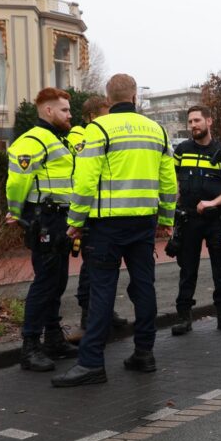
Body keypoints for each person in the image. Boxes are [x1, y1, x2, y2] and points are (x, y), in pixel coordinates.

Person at [52, 74, 178, 387]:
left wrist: (75, 221)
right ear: (135, 97)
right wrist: (167, 217)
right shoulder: (156, 130)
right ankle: (144, 353)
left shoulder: (98, 129)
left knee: (102, 290)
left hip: (107, 224)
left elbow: (85, 179)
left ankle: (92, 363)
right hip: (144, 221)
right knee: (144, 286)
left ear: (108, 100)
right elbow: (168, 180)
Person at [5, 87, 80, 372]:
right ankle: (30, 347)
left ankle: (52, 339)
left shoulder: (57, 139)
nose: (69, 115)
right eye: (64, 110)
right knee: (45, 282)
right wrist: (15, 212)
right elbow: (16, 182)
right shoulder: (33, 140)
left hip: (60, 219)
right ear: (48, 111)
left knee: (57, 281)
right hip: (44, 220)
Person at [169, 106, 221, 335]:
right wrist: (170, 210)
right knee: (187, 270)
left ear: (209, 121)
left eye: (197, 120)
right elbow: (172, 182)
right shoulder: (182, 150)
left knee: (220, 268)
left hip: (215, 220)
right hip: (188, 220)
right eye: (190, 121)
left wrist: (213, 203)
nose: (193, 125)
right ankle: (184, 318)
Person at [66, 95, 128, 343]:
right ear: (92, 116)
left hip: (100, 211)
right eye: (106, 114)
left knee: (99, 268)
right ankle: (87, 319)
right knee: (91, 268)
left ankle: (103, 314)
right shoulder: (80, 138)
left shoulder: (98, 134)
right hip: (86, 212)